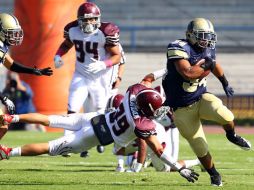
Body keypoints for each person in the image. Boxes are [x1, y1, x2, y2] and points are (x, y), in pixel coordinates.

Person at [0, 83, 199, 184]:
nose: (159, 112)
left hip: (92, 118)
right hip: (92, 137)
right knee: (50, 147)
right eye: (156, 109)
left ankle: (12, 118)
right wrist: (179, 169)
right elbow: (157, 149)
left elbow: (144, 81)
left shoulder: (132, 95)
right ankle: (7, 152)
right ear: (148, 108)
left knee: (51, 118)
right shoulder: (141, 123)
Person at [142, 18, 251, 186]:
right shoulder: (177, 47)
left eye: (208, 36)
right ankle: (214, 175)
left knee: (225, 114)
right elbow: (188, 73)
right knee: (199, 146)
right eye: (201, 36)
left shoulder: (208, 48)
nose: (205, 40)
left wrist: (225, 83)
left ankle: (232, 135)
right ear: (190, 35)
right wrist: (206, 66)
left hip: (201, 97)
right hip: (181, 109)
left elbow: (213, 65)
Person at [53, 2, 122, 156]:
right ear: (79, 20)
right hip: (81, 74)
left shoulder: (106, 31)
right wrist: (58, 55)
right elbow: (66, 45)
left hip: (100, 76)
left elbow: (117, 56)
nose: (90, 22)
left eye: (93, 19)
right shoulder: (72, 29)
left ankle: (97, 139)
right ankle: (66, 142)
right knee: (72, 107)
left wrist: (104, 64)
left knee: (99, 109)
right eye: (86, 19)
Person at [0, 13, 53, 139]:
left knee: (2, 126)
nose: (14, 36)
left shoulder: (2, 47)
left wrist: (33, 71)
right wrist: (3, 98)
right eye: (10, 33)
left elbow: (11, 64)